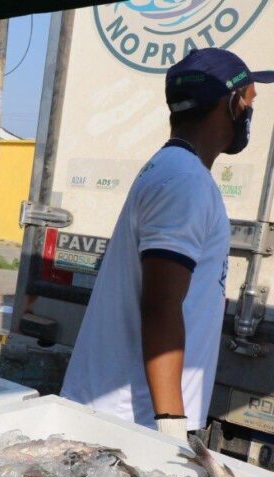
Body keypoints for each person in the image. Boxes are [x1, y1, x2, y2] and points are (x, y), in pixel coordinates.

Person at [61, 48, 271, 442]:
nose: (249, 113)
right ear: (231, 105)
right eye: (249, 101)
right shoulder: (184, 181)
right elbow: (160, 306)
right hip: (134, 421)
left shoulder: (173, 170)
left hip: (131, 414)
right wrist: (172, 428)